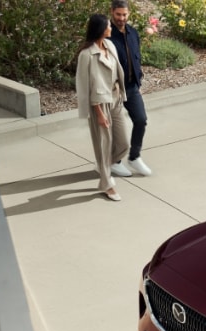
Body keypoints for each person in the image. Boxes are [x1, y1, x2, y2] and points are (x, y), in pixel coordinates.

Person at [76, 14, 129, 201]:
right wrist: (98, 113)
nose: (111, 28)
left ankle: (103, 165)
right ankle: (106, 184)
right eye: (108, 26)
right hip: (99, 104)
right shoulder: (86, 54)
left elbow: (117, 72)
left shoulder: (110, 46)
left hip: (115, 99)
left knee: (123, 144)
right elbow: (85, 86)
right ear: (100, 29)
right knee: (104, 146)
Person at [109, 0, 152, 177]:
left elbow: (137, 57)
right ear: (112, 12)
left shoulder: (133, 33)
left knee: (141, 120)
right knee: (116, 129)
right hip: (114, 89)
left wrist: (138, 78)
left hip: (132, 87)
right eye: (118, 14)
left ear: (129, 14)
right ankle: (114, 161)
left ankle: (134, 157)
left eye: (124, 14)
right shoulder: (107, 35)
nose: (121, 18)